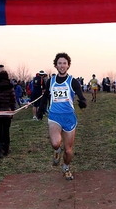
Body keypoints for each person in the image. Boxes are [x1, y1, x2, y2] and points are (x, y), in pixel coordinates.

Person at [37, 52, 87, 180]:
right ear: (56, 65)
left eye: (64, 63)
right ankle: (57, 151)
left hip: (69, 117)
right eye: (60, 63)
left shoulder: (73, 81)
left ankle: (66, 167)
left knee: (68, 150)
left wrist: (82, 102)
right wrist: (41, 109)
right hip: (54, 116)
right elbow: (45, 96)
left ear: (68, 65)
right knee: (55, 143)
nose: (62, 65)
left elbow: (81, 95)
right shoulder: (51, 81)